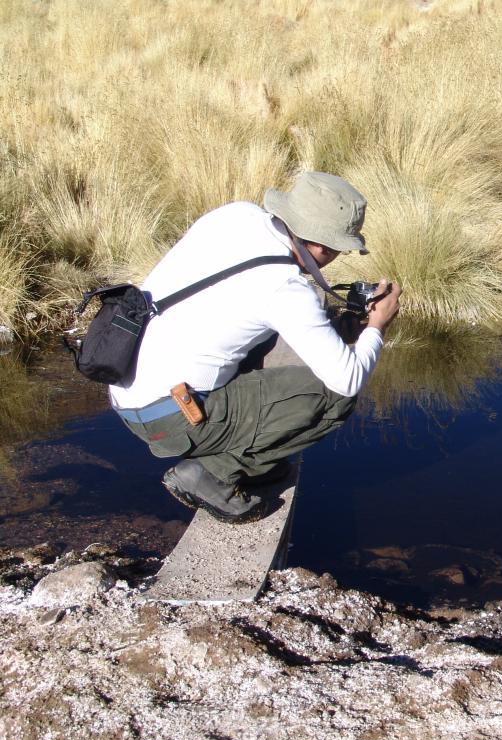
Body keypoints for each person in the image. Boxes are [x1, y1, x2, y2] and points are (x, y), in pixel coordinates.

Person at [108, 171, 401, 522]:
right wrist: (377, 325)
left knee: (295, 350)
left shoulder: (236, 215)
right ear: (324, 247)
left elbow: (240, 307)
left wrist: (347, 327)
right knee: (335, 396)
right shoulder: (285, 287)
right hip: (171, 417)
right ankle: (213, 472)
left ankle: (252, 461)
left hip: (127, 391)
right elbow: (347, 379)